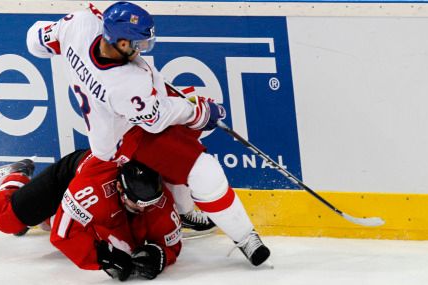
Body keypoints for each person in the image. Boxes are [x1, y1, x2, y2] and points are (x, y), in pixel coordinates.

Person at [26, 1, 270, 266]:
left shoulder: (80, 24)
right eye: (137, 44)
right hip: (127, 138)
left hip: (120, 122)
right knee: (203, 171)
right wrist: (199, 112)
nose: (141, 49)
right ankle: (246, 237)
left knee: (187, 132)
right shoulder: (125, 84)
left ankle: (185, 211)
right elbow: (157, 119)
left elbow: (35, 40)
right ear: (119, 42)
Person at [0, 152, 181, 281]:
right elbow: (63, 235)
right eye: (137, 203)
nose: (144, 209)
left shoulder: (159, 200)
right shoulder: (92, 191)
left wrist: (159, 255)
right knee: (5, 220)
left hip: (100, 193)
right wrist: (102, 258)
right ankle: (15, 176)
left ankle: (46, 217)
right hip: (71, 176)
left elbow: (170, 245)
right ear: (119, 187)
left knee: (131, 247)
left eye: (149, 204)